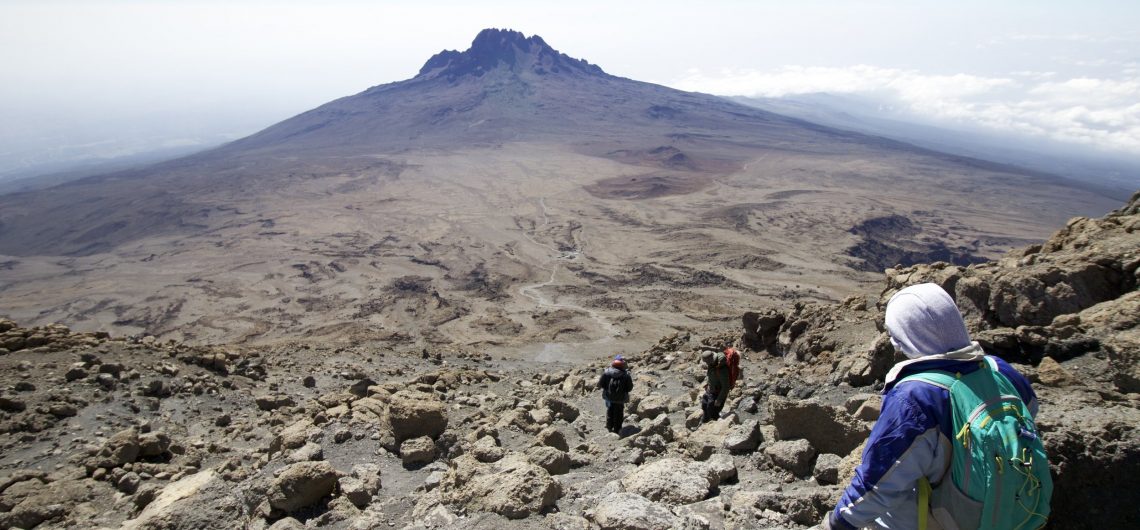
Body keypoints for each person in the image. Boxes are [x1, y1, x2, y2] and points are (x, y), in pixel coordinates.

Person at [822, 283, 1043, 530]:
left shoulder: (918, 396)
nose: (895, 344)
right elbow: (1027, 418)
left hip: (956, 520)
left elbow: (881, 481)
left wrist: (839, 522)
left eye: (896, 334)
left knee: (883, 510)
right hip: (1020, 509)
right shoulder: (1001, 371)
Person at [597, 354, 633, 434]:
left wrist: (607, 389)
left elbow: (601, 384)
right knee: (619, 413)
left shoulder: (606, 372)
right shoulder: (626, 375)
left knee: (610, 410)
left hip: (609, 396)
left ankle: (609, 428)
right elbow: (629, 388)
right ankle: (617, 429)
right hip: (621, 398)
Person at [700, 349, 730, 423]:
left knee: (712, 410)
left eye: (707, 362)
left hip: (718, 393)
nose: (706, 363)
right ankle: (704, 421)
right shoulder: (712, 365)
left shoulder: (722, 369)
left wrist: (719, 400)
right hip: (711, 389)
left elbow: (726, 387)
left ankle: (715, 423)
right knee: (704, 404)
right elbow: (711, 376)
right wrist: (708, 384)